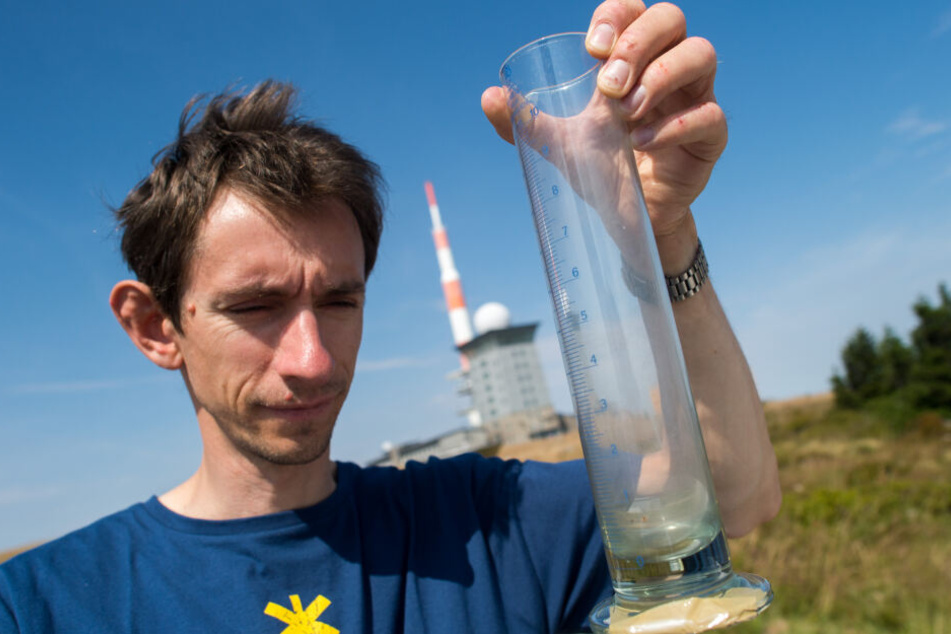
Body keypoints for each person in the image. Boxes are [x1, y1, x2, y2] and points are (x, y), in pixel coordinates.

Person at [0, 2, 780, 632]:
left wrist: (660, 234)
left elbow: (736, 496)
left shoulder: (485, 525)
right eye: (256, 307)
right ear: (154, 326)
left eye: (339, 300)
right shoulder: (43, 606)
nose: (312, 359)